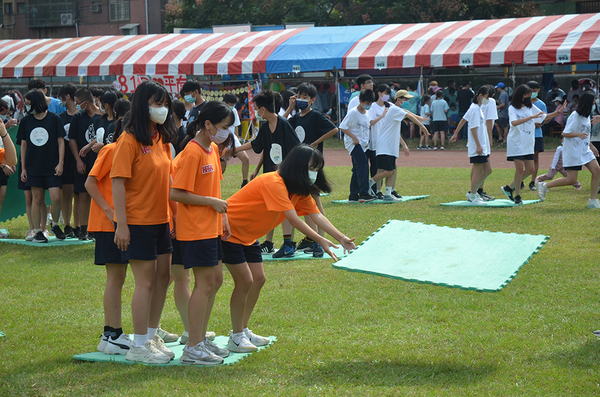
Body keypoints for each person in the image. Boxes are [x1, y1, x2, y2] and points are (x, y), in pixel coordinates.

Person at [222, 144, 356, 352]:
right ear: (298, 166)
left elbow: (317, 215)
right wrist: (320, 240)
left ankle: (242, 330)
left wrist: (342, 238)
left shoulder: (297, 190)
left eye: (317, 169)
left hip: (248, 237)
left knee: (258, 279)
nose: (314, 173)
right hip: (229, 232)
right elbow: (293, 219)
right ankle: (236, 336)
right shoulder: (273, 182)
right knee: (245, 280)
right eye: (312, 167)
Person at [111, 80, 178, 364]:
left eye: (165, 104)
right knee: (146, 281)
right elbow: (118, 184)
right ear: (142, 104)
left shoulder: (161, 139)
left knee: (165, 277)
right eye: (156, 104)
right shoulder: (128, 141)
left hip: (162, 220)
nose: (161, 109)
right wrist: (122, 224)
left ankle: (151, 336)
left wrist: (175, 215)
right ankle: (139, 345)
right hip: (137, 222)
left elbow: (169, 180)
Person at [170, 101, 234, 365]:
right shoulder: (192, 152)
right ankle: (193, 347)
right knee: (204, 283)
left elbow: (214, 189)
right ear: (207, 125)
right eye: (223, 127)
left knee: (215, 281)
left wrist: (224, 217)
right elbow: (175, 192)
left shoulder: (213, 149)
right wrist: (211, 204)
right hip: (194, 229)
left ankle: (200, 339)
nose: (226, 132)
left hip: (211, 226)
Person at [235, 90, 301, 257]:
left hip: (285, 176)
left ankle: (288, 245)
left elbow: (297, 149)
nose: (256, 112)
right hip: (271, 175)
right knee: (270, 209)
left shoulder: (284, 124)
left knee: (285, 209)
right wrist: (234, 150)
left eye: (257, 108)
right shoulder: (265, 127)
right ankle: (269, 243)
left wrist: (286, 169)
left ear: (263, 109)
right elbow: (258, 145)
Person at [84, 126, 132, 355]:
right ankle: (112, 333)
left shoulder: (128, 151)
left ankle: (111, 334)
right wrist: (108, 210)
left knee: (119, 276)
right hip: (108, 224)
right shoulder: (111, 150)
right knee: (115, 277)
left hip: (119, 221)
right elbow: (90, 183)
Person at [285, 83, 339, 255]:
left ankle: (319, 239)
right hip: (300, 165)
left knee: (315, 201)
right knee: (309, 202)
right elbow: (282, 124)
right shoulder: (296, 117)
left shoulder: (315, 116)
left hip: (312, 164)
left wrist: (316, 143)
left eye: (305, 97)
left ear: (313, 100)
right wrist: (289, 107)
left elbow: (334, 129)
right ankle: (314, 239)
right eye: (299, 96)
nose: (301, 99)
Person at [537, 91, 600, 208]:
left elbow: (585, 133)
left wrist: (592, 146)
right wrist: (578, 134)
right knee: (571, 180)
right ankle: (545, 186)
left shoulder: (586, 116)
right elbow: (565, 133)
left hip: (584, 150)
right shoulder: (575, 115)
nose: (594, 105)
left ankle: (593, 201)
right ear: (587, 103)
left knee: (597, 171)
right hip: (573, 151)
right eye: (592, 103)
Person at [19, 89, 66, 242]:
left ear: (36, 103)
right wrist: (24, 168)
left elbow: (60, 142)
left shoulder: (54, 119)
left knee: (56, 197)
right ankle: (38, 231)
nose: (26, 107)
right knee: (36, 199)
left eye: (28, 104)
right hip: (33, 167)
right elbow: (23, 146)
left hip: (52, 167)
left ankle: (55, 224)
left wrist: (60, 163)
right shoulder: (26, 121)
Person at [367, 90, 427, 201]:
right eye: (406, 99)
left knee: (392, 170)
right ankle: (369, 185)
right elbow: (408, 114)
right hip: (385, 145)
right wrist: (422, 126)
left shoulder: (394, 109)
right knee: (387, 171)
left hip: (390, 145)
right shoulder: (394, 109)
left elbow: (406, 112)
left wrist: (420, 118)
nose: (408, 101)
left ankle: (388, 194)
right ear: (398, 99)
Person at [501, 84, 546, 205]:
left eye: (530, 95)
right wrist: (531, 117)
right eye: (527, 95)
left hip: (527, 142)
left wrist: (558, 112)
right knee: (520, 168)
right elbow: (514, 122)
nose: (529, 98)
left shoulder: (530, 106)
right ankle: (517, 196)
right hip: (516, 142)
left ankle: (509, 188)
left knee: (530, 169)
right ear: (521, 96)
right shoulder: (512, 108)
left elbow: (542, 116)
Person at [450, 86, 492, 205]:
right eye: (487, 96)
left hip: (482, 145)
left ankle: (472, 192)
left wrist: (455, 134)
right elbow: (473, 128)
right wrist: (478, 145)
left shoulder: (476, 108)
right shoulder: (474, 109)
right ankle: (473, 196)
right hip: (477, 145)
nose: (488, 99)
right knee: (478, 171)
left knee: (488, 170)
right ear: (480, 96)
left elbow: (463, 120)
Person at [69, 88, 101, 240]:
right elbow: (73, 140)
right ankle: (83, 229)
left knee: (98, 195)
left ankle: (95, 228)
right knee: (82, 195)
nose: (76, 106)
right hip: (83, 162)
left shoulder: (102, 116)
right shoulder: (77, 118)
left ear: (86, 103)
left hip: (100, 162)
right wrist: (78, 160)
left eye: (78, 103)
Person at [340, 89, 377, 203]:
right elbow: (343, 127)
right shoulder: (353, 112)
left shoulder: (367, 113)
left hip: (362, 144)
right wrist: (354, 138)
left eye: (370, 103)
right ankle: (364, 194)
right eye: (367, 102)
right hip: (354, 144)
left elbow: (366, 128)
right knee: (363, 166)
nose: (368, 105)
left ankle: (353, 195)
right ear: (360, 101)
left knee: (357, 169)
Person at [527, 81, 565, 191]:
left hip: (537, 134)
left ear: (538, 91)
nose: (533, 93)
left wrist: (541, 124)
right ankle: (520, 181)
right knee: (524, 159)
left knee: (535, 158)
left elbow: (545, 118)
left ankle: (532, 181)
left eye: (535, 91)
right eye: (531, 91)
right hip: (526, 135)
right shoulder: (522, 103)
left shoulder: (541, 104)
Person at [57, 83, 79, 238]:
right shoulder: (60, 118)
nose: (61, 100)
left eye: (62, 97)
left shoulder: (82, 115)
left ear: (68, 96)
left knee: (79, 194)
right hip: (65, 159)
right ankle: (67, 225)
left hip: (80, 159)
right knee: (66, 194)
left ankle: (79, 225)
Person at [223, 93, 251, 188]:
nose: (232, 107)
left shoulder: (234, 111)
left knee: (245, 159)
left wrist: (237, 139)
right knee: (222, 168)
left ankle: (245, 182)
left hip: (233, 140)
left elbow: (235, 126)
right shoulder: (219, 111)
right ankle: (214, 183)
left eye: (233, 105)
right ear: (225, 103)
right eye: (230, 105)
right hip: (222, 141)